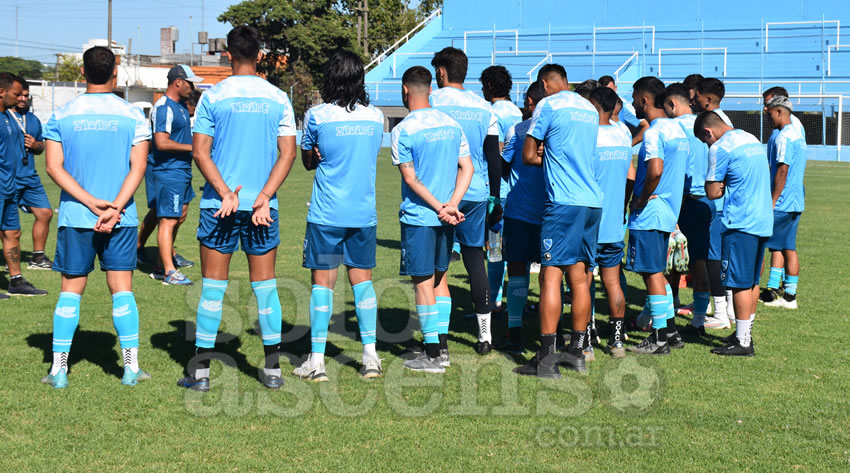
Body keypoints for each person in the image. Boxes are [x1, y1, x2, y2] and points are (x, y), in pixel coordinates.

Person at [177, 26, 297, 391]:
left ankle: (200, 375)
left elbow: (200, 152)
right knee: (266, 289)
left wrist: (226, 192)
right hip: (262, 208)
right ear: (260, 54)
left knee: (213, 288)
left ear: (228, 55)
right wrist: (264, 195)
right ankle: (273, 372)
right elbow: (288, 153)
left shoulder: (214, 97)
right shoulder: (278, 97)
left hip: (220, 206)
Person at [40, 47, 151, 388]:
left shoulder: (61, 114)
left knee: (71, 291)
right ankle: (130, 368)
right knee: (122, 291)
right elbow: (139, 167)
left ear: (83, 73)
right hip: (122, 218)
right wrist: (116, 207)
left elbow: (52, 167)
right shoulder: (133, 114)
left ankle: (59, 371)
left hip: (77, 216)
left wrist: (90, 203)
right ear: (115, 71)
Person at [294, 50, 385, 381]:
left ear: (330, 78)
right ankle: (370, 357)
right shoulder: (377, 117)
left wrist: (317, 153)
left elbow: (308, 161)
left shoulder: (317, 116)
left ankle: (317, 360)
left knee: (323, 284)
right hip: (363, 213)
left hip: (327, 213)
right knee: (363, 284)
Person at [514, 63, 601, 378]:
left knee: (550, 277)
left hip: (563, 202)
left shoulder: (548, 105)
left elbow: (527, 155)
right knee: (579, 279)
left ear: (544, 84)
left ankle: (546, 358)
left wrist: (546, 156)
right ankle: (577, 352)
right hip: (592, 202)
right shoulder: (589, 109)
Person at [392, 66, 474, 373]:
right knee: (441, 279)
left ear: (404, 90)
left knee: (422, 282)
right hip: (446, 217)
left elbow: (411, 180)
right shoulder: (452, 125)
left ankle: (432, 355)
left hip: (420, 217)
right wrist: (452, 204)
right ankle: (442, 347)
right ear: (430, 89)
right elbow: (467, 168)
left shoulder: (404, 129)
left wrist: (440, 206)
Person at [429, 47, 502, 357]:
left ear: (442, 72)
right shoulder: (483, 107)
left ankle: (439, 338)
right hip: (475, 192)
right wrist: (495, 197)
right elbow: (493, 156)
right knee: (475, 261)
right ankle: (485, 337)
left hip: (440, 195)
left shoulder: (432, 100)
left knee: (437, 266)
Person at [695, 111, 773, 356]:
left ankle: (743, 342)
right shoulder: (750, 138)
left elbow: (713, 192)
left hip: (740, 221)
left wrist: (720, 182)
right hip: (762, 218)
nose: (707, 144)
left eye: (704, 140)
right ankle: (744, 333)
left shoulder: (720, 148)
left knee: (738, 284)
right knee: (752, 282)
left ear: (708, 132)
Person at [625, 76, 689, 355]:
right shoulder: (678, 131)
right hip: (668, 211)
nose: (633, 103)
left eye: (634, 98)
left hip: (650, 212)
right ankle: (671, 331)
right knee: (656, 273)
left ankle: (659, 337)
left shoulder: (653, 132)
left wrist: (638, 198)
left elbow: (655, 170)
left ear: (644, 99)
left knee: (651, 273)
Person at [494, 80, 547, 355]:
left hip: (519, 211)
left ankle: (514, 332)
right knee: (551, 275)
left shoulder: (518, 129)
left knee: (517, 271)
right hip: (552, 211)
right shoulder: (558, 132)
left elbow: (502, 166)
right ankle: (553, 333)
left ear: (530, 102)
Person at [663, 83, 715, 335]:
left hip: (680, 201)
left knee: (667, 260)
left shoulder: (671, 128)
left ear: (672, 103)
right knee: (699, 262)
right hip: (704, 200)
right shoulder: (703, 125)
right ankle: (698, 321)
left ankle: (664, 312)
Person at [588, 86, 633, 358]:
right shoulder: (622, 134)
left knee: (583, 281)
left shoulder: (588, 136)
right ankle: (616, 341)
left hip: (591, 221)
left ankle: (586, 337)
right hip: (615, 221)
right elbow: (630, 176)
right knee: (613, 281)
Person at [150, 65, 203, 286]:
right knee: (168, 220)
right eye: (190, 82)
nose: (193, 87)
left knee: (179, 216)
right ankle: (169, 273)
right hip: (169, 172)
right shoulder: (164, 107)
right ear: (178, 82)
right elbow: (161, 142)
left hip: (182, 172)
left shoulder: (181, 106)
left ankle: (163, 264)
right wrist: (194, 148)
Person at [480, 65, 522, 315]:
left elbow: (494, 153)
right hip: (516, 191)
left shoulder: (490, 112)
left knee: (494, 250)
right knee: (514, 253)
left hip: (496, 190)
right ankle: (514, 301)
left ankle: (494, 300)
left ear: (490, 86)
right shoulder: (517, 112)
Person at [0, 73, 45, 297]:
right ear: (2, 92)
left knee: (13, 233)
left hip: (9, 187)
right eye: (17, 94)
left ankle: (15, 281)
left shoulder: (8, 118)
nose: (21, 98)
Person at [762, 96, 806, 309]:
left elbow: (782, 169)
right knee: (789, 247)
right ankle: (790, 297)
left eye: (769, 112)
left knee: (760, 245)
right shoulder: (798, 136)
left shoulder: (784, 137)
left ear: (779, 112)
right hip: (796, 202)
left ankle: (753, 289)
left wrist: (772, 199)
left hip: (782, 203)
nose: (768, 117)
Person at [11, 81, 53, 270]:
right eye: (19, 94)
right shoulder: (4, 116)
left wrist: (36, 145)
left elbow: (40, 148)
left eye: (26, 95)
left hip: (29, 177)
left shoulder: (33, 119)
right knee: (8, 224)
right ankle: (9, 259)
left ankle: (37, 258)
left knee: (45, 213)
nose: (22, 98)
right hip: (7, 178)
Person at [599, 75, 649, 146]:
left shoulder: (623, 105)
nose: (607, 93)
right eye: (603, 91)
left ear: (615, 88)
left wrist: (628, 145)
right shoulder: (597, 104)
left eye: (610, 90)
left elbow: (646, 125)